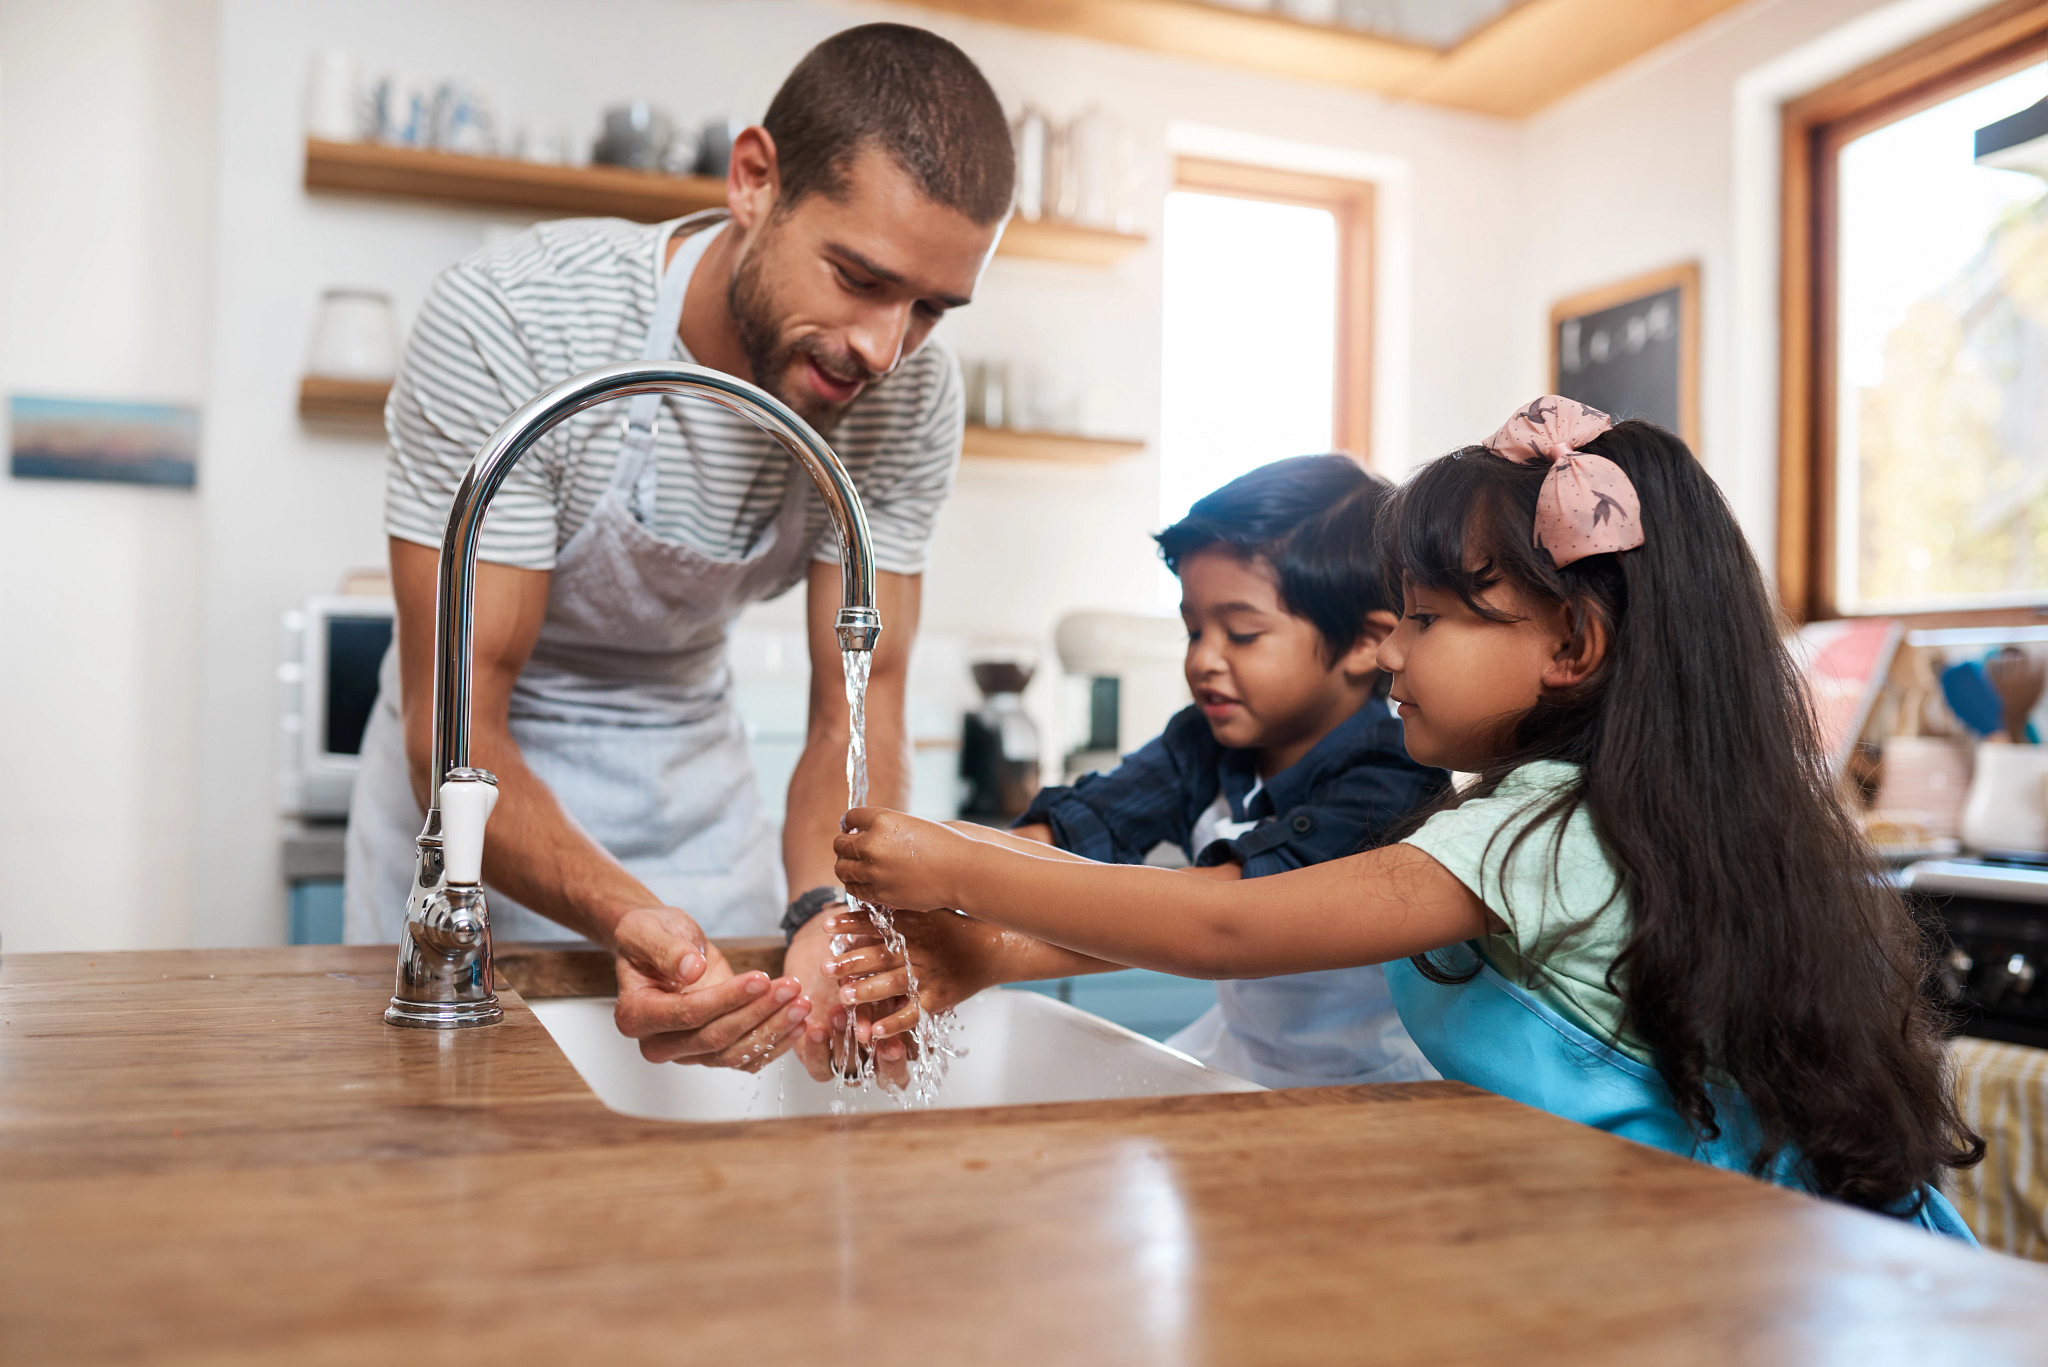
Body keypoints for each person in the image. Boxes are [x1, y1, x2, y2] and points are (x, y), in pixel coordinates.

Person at [830, 397, 1983, 1238]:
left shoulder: (1517, 835)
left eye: (1425, 620)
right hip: (1714, 1238)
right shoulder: (1618, 817)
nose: (1391, 650)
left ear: (1571, 647)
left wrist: (955, 864)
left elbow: (1224, 928)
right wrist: (979, 928)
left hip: (1719, 1249)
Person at [343, 23, 1014, 1079]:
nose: (885, 348)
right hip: (470, 804)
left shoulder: (906, 400)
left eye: (930, 309)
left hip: (690, 784)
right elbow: (457, 722)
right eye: (857, 277)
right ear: (754, 180)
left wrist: (832, 914)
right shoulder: (519, 320)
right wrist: (628, 914)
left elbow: (857, 704)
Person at [828, 455, 1447, 1087]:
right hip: (1243, 1057)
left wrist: (974, 915)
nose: (1203, 660)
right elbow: (1074, 834)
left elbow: (1218, 916)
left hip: (1378, 1085)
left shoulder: (1390, 769)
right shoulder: (1206, 741)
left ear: (1366, 645)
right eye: (1193, 630)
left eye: (1240, 634)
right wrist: (926, 865)